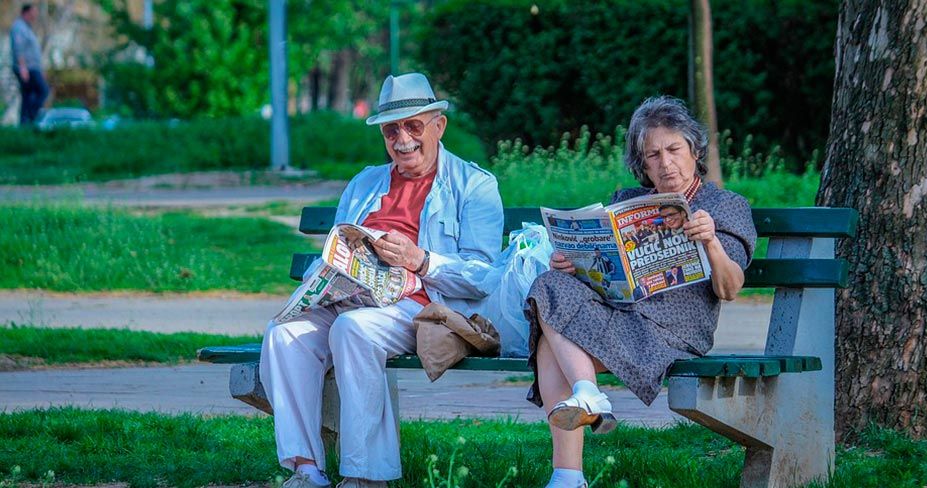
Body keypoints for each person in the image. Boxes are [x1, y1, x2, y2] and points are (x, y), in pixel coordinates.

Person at [259, 73, 504, 488]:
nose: (402, 138)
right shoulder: (364, 183)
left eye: (414, 126)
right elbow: (338, 246)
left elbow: (484, 277)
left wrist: (421, 260)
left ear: (438, 126)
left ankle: (365, 477)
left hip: (420, 306)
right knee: (284, 334)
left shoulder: (474, 185)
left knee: (354, 330)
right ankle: (306, 470)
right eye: (392, 129)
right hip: (350, 298)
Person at [525, 96, 756, 488]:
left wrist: (711, 242)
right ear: (642, 163)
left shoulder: (723, 205)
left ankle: (569, 470)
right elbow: (599, 274)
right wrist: (572, 266)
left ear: (694, 149)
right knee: (548, 284)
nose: (665, 163)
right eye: (653, 155)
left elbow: (730, 288)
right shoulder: (626, 201)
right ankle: (585, 402)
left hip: (673, 332)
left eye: (673, 149)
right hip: (620, 316)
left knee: (550, 344)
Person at [9, 4, 48, 125]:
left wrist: (40, 69)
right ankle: (31, 116)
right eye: (33, 12)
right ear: (26, 12)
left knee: (28, 96)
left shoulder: (27, 28)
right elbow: (18, 49)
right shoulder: (19, 27)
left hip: (33, 68)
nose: (35, 15)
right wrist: (23, 68)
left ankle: (25, 123)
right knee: (43, 90)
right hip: (27, 68)